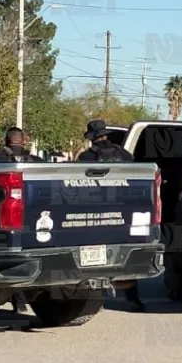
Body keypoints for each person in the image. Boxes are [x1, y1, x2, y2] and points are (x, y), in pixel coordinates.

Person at [76, 120, 146, 312]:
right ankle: (133, 300)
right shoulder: (125, 155)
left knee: (92, 257)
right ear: (106, 135)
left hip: (95, 214)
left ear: (91, 138)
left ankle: (94, 299)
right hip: (123, 213)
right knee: (126, 256)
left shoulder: (85, 158)